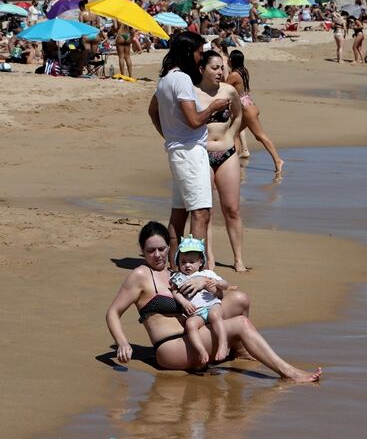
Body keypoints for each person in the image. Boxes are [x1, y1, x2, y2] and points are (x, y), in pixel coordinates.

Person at [106, 222, 321, 382]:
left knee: (239, 299)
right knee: (241, 324)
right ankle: (288, 372)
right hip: (171, 348)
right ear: (142, 251)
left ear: (169, 247)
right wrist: (123, 342)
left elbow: (211, 300)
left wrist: (205, 283)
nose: (157, 255)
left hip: (194, 333)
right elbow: (113, 313)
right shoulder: (141, 275)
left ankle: (240, 350)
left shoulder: (175, 272)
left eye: (161, 249)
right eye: (150, 250)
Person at [148, 31, 228, 265]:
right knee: (201, 212)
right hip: (190, 151)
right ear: (188, 52)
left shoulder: (165, 79)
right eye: (199, 53)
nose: (200, 57)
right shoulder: (182, 79)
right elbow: (194, 120)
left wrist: (169, 135)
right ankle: (194, 266)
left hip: (179, 150)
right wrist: (213, 107)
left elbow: (152, 111)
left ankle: (175, 266)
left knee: (180, 212)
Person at [196, 51, 247, 272]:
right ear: (202, 69)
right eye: (214, 68)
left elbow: (238, 115)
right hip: (202, 154)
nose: (219, 72)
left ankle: (238, 258)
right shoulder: (193, 93)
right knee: (205, 210)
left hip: (227, 153)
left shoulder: (229, 91)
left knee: (232, 208)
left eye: (221, 68)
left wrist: (231, 136)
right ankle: (209, 257)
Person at [170, 236, 230, 365]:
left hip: (211, 305)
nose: (187, 265)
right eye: (183, 262)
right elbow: (175, 291)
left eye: (192, 262)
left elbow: (226, 285)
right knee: (190, 324)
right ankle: (201, 351)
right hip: (196, 313)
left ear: (201, 262)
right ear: (178, 262)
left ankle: (223, 343)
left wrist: (217, 283)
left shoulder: (207, 274)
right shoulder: (178, 277)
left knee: (215, 316)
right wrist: (184, 302)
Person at [226, 50, 284, 179]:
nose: (228, 60)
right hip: (249, 104)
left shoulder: (234, 74)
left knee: (260, 136)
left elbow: (223, 87)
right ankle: (233, 161)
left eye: (229, 58)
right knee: (234, 133)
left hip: (246, 109)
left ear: (232, 60)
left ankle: (278, 160)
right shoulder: (244, 71)